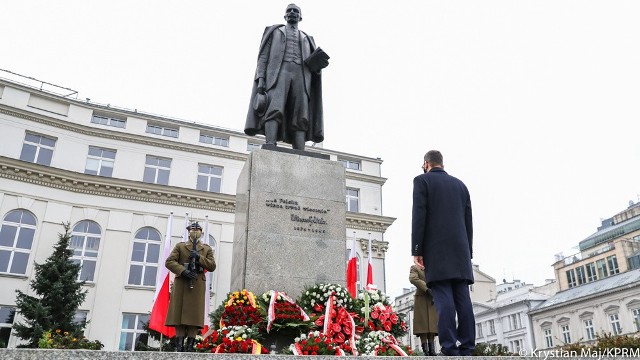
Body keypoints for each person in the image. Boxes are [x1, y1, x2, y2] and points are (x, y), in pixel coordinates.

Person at [411, 150, 475, 356]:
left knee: (443, 299)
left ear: (426, 163)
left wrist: (417, 249)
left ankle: (449, 348)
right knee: (462, 299)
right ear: (442, 164)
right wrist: (468, 251)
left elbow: (419, 214)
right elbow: (468, 222)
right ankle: (467, 347)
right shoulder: (461, 185)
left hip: (436, 250)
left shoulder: (422, 181)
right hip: (461, 251)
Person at [244, 3, 328, 150]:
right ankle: (270, 142)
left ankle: (299, 149)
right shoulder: (274, 32)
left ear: (300, 17)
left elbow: (314, 69)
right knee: (274, 107)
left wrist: (318, 65)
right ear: (285, 15)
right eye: (289, 11)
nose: (292, 13)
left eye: (296, 11)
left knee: (301, 112)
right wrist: (261, 80)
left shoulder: (308, 38)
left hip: (301, 77)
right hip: (277, 74)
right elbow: (263, 58)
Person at [165, 222, 216, 352]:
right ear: (188, 231)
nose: (195, 231)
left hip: (197, 284)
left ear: (201, 232)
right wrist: (183, 271)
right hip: (182, 282)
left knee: (194, 317)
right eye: (193, 229)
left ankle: (190, 347)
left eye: (197, 229)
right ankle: (180, 346)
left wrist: (199, 257)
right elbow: (169, 262)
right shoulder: (180, 246)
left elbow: (212, 266)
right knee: (179, 316)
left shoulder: (206, 249)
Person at [409, 264, 438, 356]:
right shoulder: (415, 267)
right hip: (421, 297)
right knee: (423, 325)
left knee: (433, 325)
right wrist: (427, 288)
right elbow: (413, 279)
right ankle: (425, 349)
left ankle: (432, 349)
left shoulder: (433, 265)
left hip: (434, 296)